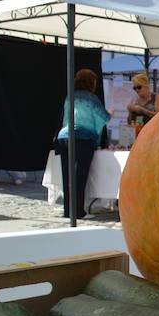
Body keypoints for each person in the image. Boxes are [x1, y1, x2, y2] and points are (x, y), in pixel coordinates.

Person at [54, 69, 113, 219]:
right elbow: (103, 117)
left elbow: (65, 118)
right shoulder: (91, 98)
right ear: (91, 83)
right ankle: (78, 212)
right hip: (83, 138)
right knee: (79, 177)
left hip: (64, 137)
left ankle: (68, 211)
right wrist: (110, 113)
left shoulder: (70, 97)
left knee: (67, 177)